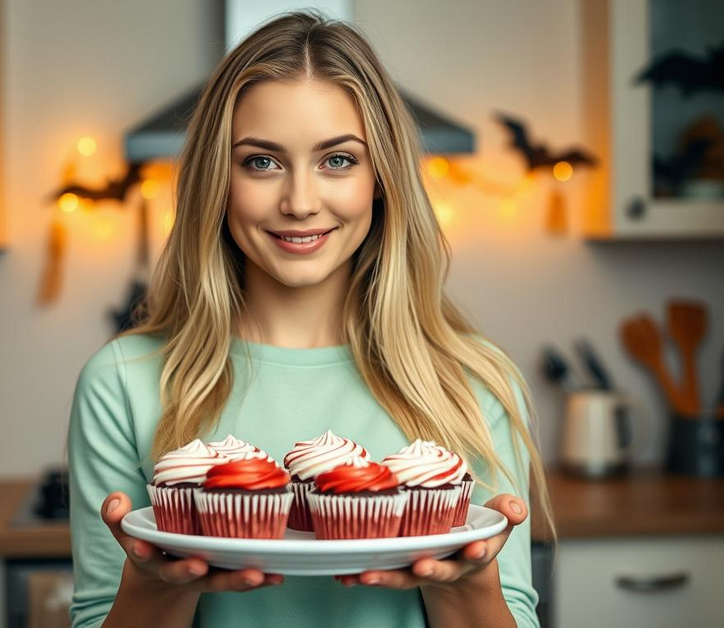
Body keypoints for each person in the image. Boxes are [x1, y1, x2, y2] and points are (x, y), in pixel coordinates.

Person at [67, 10, 553, 628]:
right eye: (261, 162)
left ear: (382, 178)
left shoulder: (473, 382)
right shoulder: (124, 381)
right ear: (218, 179)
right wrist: (157, 584)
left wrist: (467, 583)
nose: (300, 202)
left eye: (338, 161)